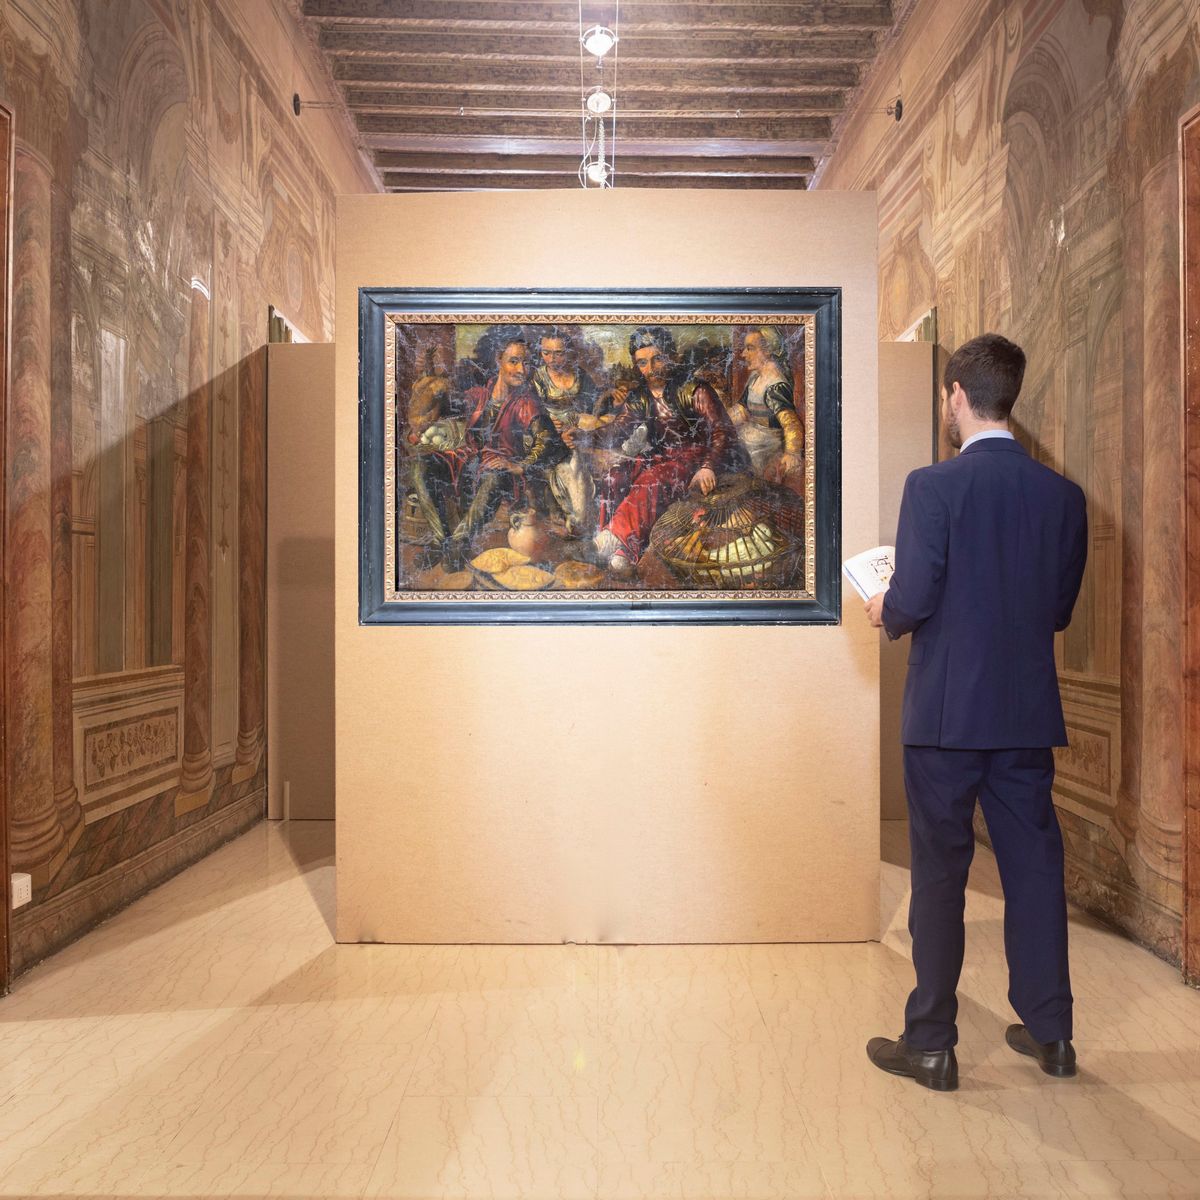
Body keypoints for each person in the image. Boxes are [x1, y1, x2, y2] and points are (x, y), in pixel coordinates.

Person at [864, 333, 1088, 1093]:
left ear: (956, 394)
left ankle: (931, 1042)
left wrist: (885, 606)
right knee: (1035, 870)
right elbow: (1057, 611)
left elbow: (914, 598)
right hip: (1024, 716)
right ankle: (1053, 1034)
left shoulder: (932, 487)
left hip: (944, 719)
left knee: (939, 875)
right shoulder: (1063, 498)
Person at [592, 326, 740, 574]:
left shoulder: (695, 389)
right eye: (642, 363)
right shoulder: (640, 396)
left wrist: (708, 466)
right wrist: (584, 437)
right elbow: (618, 429)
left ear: (671, 355)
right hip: (663, 457)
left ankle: (610, 542)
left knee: (651, 480)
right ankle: (623, 550)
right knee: (615, 476)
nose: (651, 369)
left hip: (697, 459)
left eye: (657, 359)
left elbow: (722, 430)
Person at [415, 331, 565, 568]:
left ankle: (459, 542)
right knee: (421, 465)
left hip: (499, 469)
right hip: (467, 461)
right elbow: (444, 405)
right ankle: (440, 539)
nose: (522, 369)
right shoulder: (480, 395)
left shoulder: (526, 401)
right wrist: (430, 376)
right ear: (498, 360)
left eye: (526, 363)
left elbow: (548, 440)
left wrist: (518, 465)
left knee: (495, 477)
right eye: (514, 361)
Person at [530, 328, 598, 536]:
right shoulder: (538, 377)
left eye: (558, 353)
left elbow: (591, 408)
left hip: (576, 430)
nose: (552, 359)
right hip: (546, 432)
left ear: (568, 352)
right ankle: (567, 513)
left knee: (576, 464)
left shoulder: (581, 375)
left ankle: (577, 518)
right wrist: (552, 427)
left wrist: (575, 429)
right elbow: (533, 410)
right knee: (560, 461)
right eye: (546, 353)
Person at [728, 327, 804, 490]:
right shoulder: (755, 378)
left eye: (750, 348)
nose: (743, 354)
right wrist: (719, 423)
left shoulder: (775, 385)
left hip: (765, 448)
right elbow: (741, 410)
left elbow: (791, 424)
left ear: (768, 350)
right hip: (750, 440)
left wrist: (791, 453)